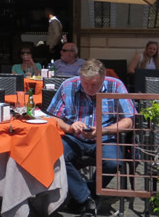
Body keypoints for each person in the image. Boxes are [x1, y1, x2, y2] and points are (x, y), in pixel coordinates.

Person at [46, 59, 135, 217]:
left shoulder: (115, 85)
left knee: (114, 163)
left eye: (94, 84)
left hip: (105, 136)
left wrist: (102, 130)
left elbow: (129, 120)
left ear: (103, 78)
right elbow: (52, 117)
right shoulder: (69, 85)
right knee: (54, 156)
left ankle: (85, 195)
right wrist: (69, 127)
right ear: (80, 78)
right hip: (74, 136)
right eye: (85, 83)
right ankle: (87, 198)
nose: (89, 88)